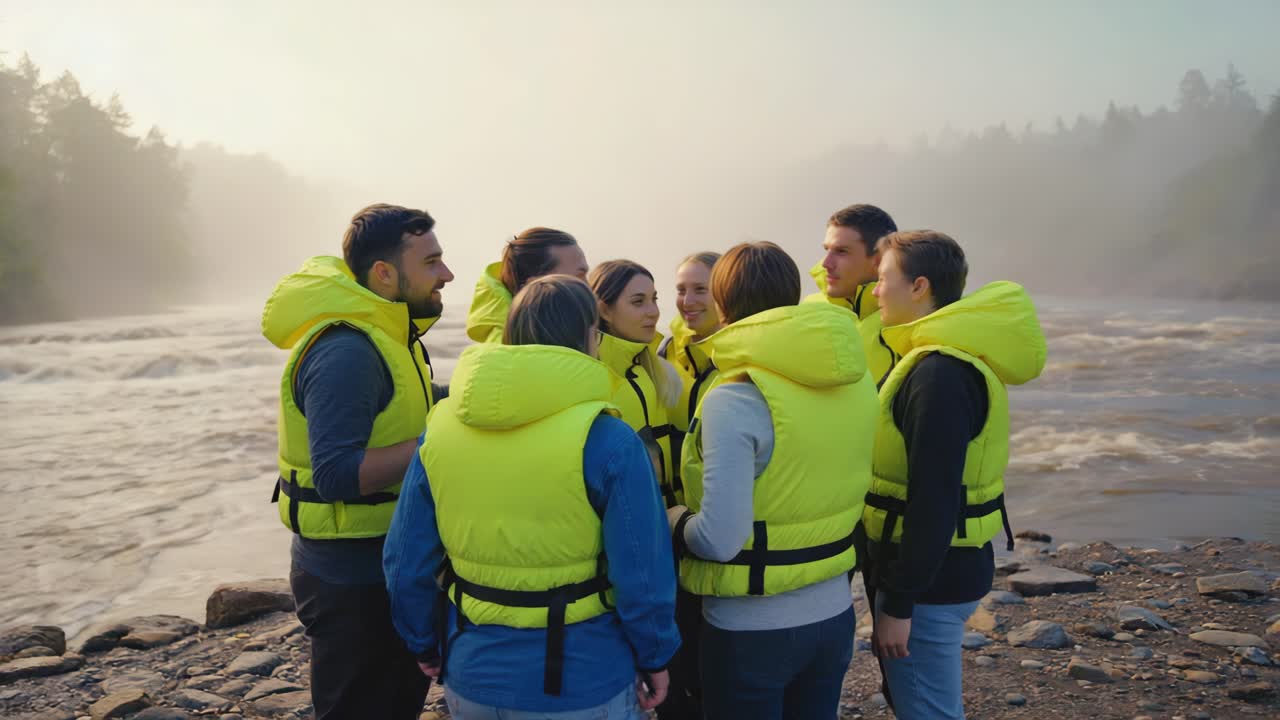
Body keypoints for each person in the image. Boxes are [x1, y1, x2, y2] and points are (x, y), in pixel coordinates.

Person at [384, 275, 680, 719]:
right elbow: (641, 571)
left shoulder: (441, 427)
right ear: (589, 337)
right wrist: (656, 656)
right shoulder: (608, 438)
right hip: (584, 680)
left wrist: (423, 641)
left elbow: (405, 560)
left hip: (472, 673)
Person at [667, 242, 879, 720]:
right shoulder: (856, 378)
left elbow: (720, 540)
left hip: (750, 628)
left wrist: (674, 519)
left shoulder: (735, 399)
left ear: (722, 306)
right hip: (833, 613)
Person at [261, 203, 454, 720]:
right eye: (432, 262)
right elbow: (336, 474)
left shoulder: (389, 333)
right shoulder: (346, 351)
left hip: (383, 561)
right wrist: (443, 440)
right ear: (385, 273)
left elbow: (410, 404)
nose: (447, 274)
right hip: (350, 580)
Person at [862, 230, 1046, 719]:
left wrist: (898, 605)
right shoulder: (942, 360)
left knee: (930, 711)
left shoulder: (938, 374)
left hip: (930, 583)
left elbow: (935, 497)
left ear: (919, 285)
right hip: (942, 572)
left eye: (884, 279)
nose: (876, 290)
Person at [653, 251, 721, 720]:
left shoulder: (740, 359)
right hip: (671, 529)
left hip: (716, 529)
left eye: (700, 289)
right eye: (680, 289)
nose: (686, 300)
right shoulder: (662, 356)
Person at [588, 260, 682, 506]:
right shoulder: (590, 376)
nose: (653, 311)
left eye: (654, 299)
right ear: (604, 310)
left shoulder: (653, 370)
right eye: (638, 302)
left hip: (666, 521)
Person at [805, 203, 899, 385]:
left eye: (841, 251)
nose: (826, 263)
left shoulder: (907, 322)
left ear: (879, 260)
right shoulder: (806, 311)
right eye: (827, 250)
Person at [466, 227, 589, 343]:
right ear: (535, 286)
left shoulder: (571, 333)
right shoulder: (508, 350)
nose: (589, 287)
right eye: (579, 276)